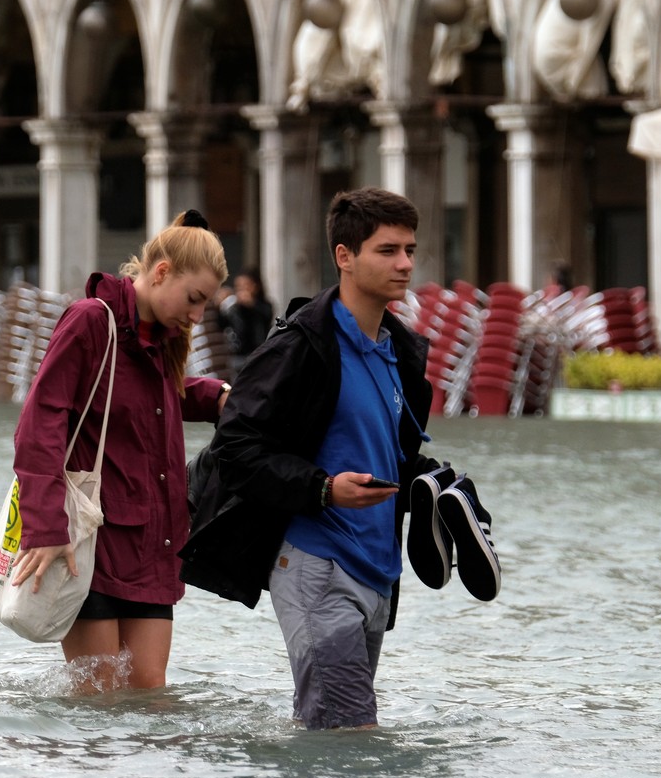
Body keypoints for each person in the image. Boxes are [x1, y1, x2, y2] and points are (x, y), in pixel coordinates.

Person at [182, 187, 499, 730]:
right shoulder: (300, 347)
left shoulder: (399, 351)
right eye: (387, 250)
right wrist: (322, 489)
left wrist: (437, 485)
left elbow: (387, 452)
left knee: (333, 736)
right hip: (315, 565)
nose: (404, 264)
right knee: (351, 734)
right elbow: (235, 449)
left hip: (378, 570)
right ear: (344, 256)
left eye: (409, 249)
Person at [11, 209, 230, 691]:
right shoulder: (92, 321)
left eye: (205, 305)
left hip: (155, 542)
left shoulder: (164, 339)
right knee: (99, 696)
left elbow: (149, 396)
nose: (197, 315)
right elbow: (38, 425)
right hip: (89, 541)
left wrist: (215, 396)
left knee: (151, 693)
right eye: (194, 299)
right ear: (161, 271)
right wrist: (47, 527)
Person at [218, 267, 275, 368]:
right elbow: (221, 325)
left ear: (255, 286)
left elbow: (266, 317)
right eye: (238, 287)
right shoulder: (234, 307)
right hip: (237, 356)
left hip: (258, 354)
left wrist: (251, 304)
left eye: (246, 286)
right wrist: (219, 306)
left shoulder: (263, 305)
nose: (242, 290)